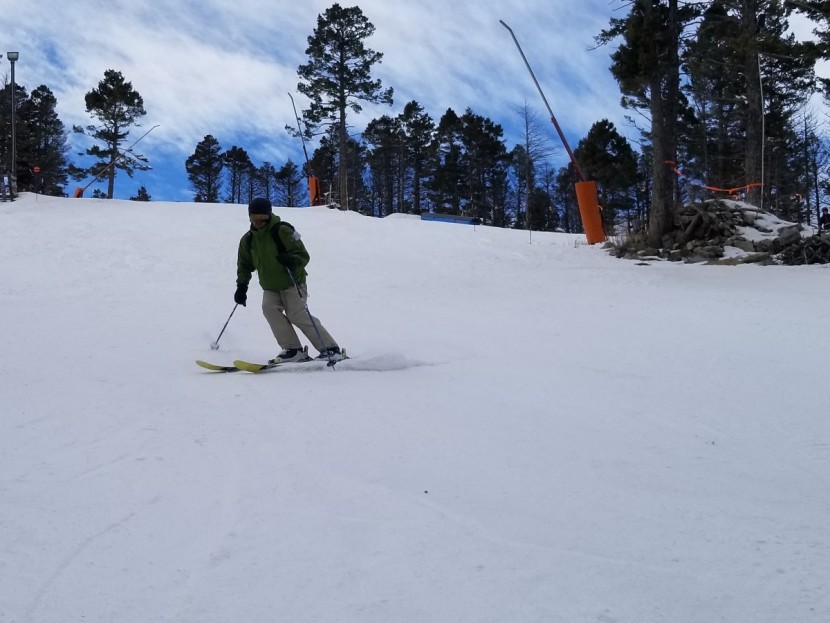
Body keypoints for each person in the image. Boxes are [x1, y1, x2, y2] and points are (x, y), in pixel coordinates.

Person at [234, 197, 341, 362]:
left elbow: (303, 254)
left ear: (269, 215)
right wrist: (242, 287)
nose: (259, 222)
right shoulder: (248, 240)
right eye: (255, 218)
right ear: (250, 217)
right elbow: (244, 265)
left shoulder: (282, 230)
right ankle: (293, 350)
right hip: (270, 286)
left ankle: (331, 349)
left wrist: (292, 261)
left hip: (293, 283)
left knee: (297, 314)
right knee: (269, 309)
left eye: (263, 218)